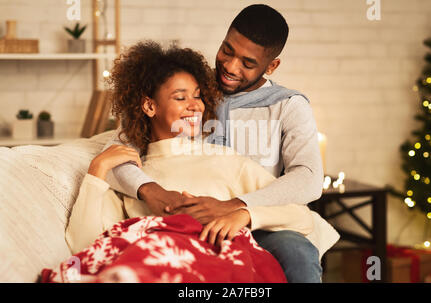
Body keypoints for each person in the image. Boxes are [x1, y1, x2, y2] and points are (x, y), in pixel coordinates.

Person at [103, 5, 339, 282]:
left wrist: (238, 207)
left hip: (259, 220)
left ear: (272, 65)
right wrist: (149, 189)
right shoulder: (192, 90)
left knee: (296, 251)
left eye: (247, 63)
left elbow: (309, 179)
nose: (229, 66)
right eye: (227, 50)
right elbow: (116, 151)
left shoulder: (288, 106)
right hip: (188, 221)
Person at [66, 41, 314, 259]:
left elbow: (302, 217)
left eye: (197, 96)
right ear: (150, 106)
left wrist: (243, 215)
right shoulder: (130, 177)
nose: (195, 106)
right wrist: (97, 170)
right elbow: (84, 246)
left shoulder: (225, 160)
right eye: (180, 97)